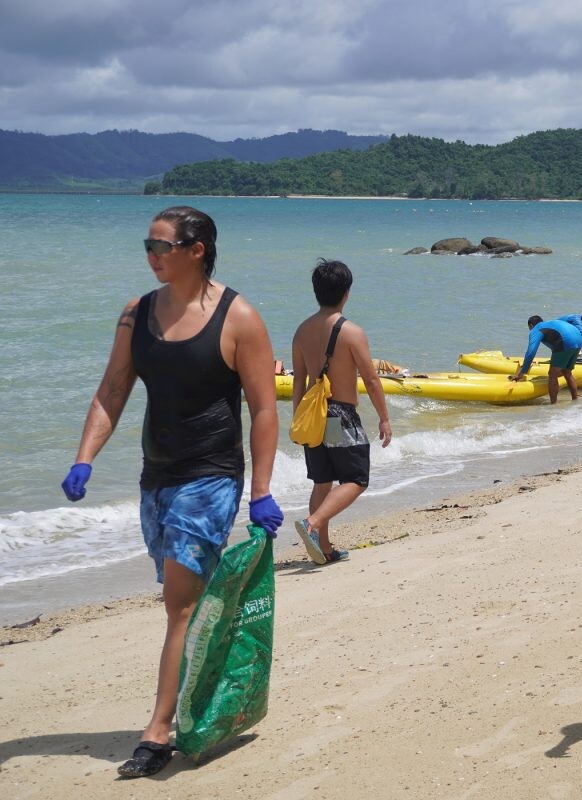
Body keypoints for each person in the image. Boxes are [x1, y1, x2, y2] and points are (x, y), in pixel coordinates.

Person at [60, 206, 283, 778]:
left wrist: (260, 490)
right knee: (188, 597)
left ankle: (158, 732)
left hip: (211, 477)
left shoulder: (239, 318)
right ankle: (206, 693)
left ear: (196, 250)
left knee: (179, 604)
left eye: (161, 246)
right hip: (156, 477)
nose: (151, 255)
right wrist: (85, 458)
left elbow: (262, 407)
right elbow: (113, 388)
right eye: (148, 245)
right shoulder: (137, 315)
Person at [291, 258, 392, 564]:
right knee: (356, 479)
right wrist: (384, 418)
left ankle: (323, 550)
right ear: (346, 292)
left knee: (322, 481)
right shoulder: (352, 332)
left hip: (312, 415)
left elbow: (299, 381)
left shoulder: (301, 331)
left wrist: (299, 419)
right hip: (339, 415)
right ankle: (313, 523)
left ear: (315, 291)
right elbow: (372, 380)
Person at [511, 309, 582, 403]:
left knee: (552, 374)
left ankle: (553, 404)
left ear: (531, 326)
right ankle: (575, 400)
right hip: (578, 340)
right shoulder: (549, 324)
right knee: (567, 373)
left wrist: (522, 372)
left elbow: (531, 352)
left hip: (566, 341)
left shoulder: (536, 329)